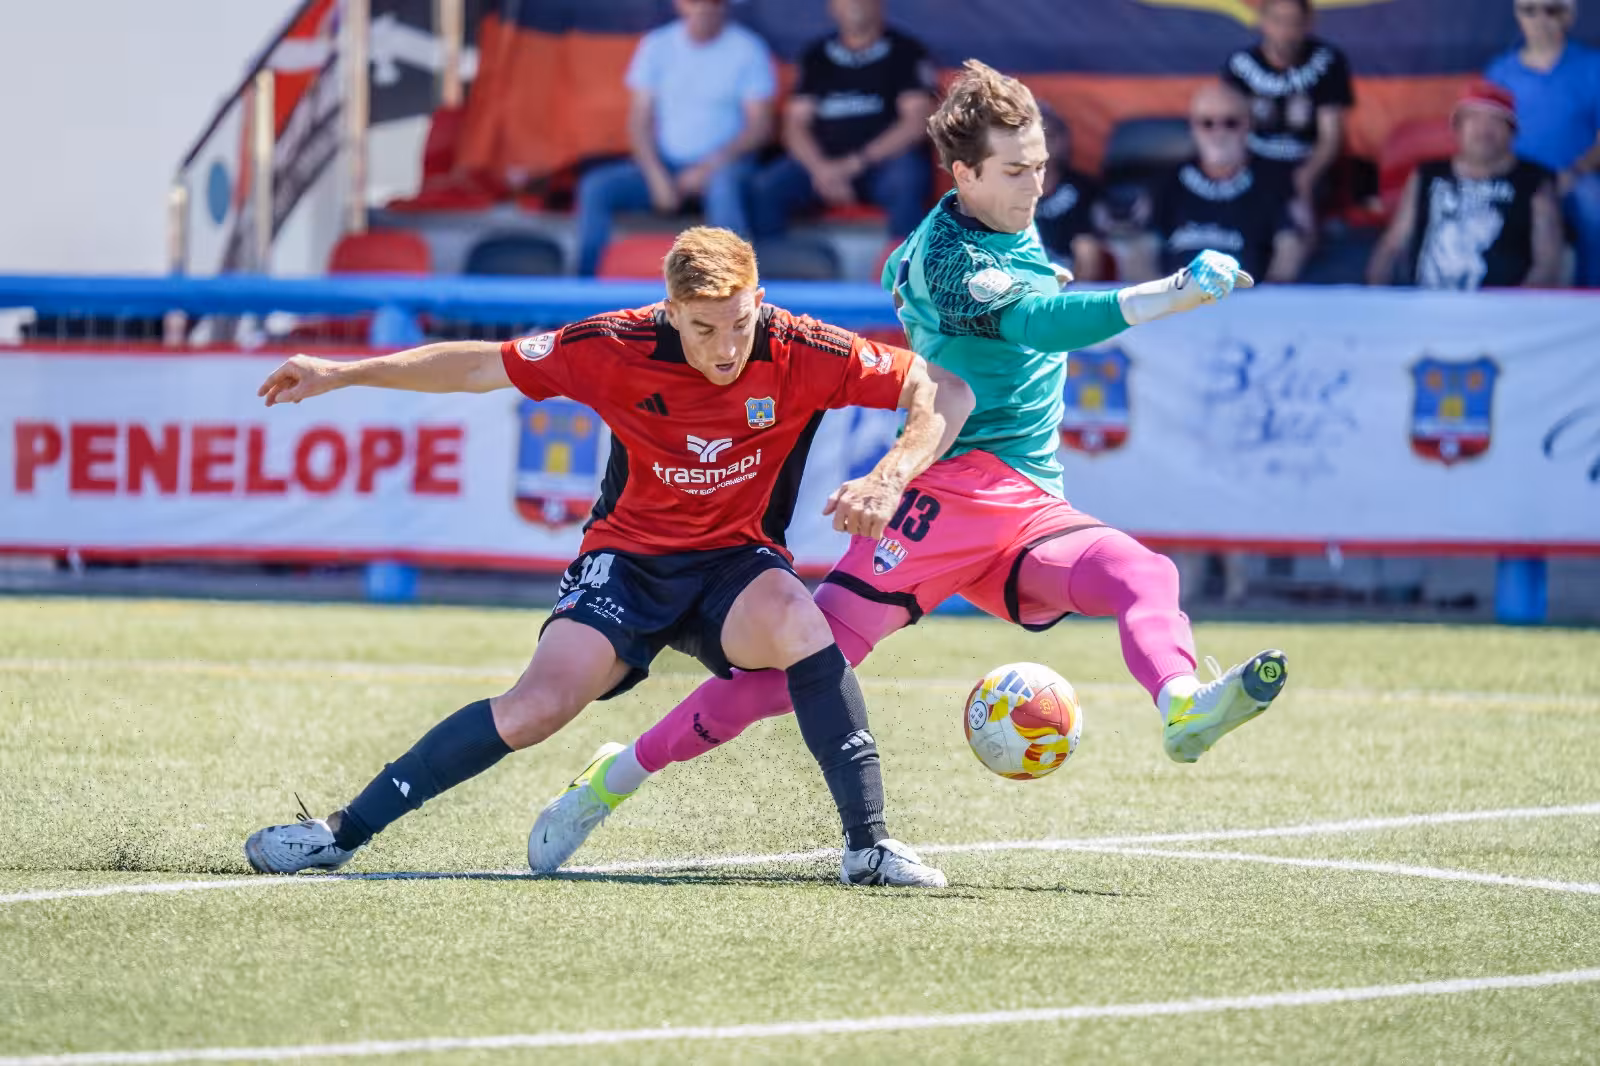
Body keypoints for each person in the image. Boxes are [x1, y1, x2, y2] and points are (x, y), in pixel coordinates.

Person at [528, 61, 1289, 874]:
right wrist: (1167, 292)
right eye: (1016, 170)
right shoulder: (953, 260)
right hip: (943, 497)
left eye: (1040, 164)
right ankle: (613, 779)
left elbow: (924, 273)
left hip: (1028, 502)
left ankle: (1181, 707)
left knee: (1143, 575)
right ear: (964, 174)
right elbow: (1041, 322)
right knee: (788, 677)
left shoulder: (995, 217)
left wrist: (924, 280)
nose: (1036, 184)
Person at [243, 227, 976, 888]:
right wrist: (344, 372)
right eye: (702, 329)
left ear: (761, 300)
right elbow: (477, 368)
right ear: (669, 310)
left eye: (739, 325)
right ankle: (338, 834)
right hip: (627, 563)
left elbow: (944, 387)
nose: (725, 348)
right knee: (533, 711)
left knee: (800, 622)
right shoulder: (612, 346)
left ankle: (868, 847)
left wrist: (889, 476)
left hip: (736, 563)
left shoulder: (802, 347)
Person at [573, 0, 775, 276]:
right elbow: (638, 123)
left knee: (724, 187)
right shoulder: (656, 45)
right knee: (596, 187)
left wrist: (708, 168)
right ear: (679, 4)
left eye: (713, 2)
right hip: (667, 165)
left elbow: (759, 127)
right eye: (695, 2)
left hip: (725, 165)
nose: (704, 8)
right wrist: (656, 176)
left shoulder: (748, 48)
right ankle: (583, 294)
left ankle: (732, 296)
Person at [747, 0, 937, 241]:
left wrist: (853, 164)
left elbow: (915, 123)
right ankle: (777, 270)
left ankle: (906, 272)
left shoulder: (906, 51)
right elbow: (795, 124)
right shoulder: (817, 55)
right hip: (821, 164)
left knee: (906, 181)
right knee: (765, 187)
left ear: (879, 5)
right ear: (832, 7)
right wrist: (820, 170)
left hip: (880, 163)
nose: (853, 5)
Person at [1366, 81, 1565, 289]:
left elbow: (1548, 262)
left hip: (1503, 310)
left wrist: (1517, 310)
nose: (1483, 129)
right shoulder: (1427, 174)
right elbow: (1393, 243)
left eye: (1496, 120)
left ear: (1512, 132)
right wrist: (1375, 292)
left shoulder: (1535, 180)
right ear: (1457, 129)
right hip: (1426, 307)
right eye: (1474, 119)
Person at [1124, 83, 1308, 284]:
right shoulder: (1166, 183)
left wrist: (1268, 298)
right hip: (1177, 304)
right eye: (1207, 123)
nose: (1218, 133)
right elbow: (1139, 253)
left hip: (1247, 304)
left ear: (1247, 126)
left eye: (1230, 123)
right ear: (1193, 128)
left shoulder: (1274, 182)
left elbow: (1290, 249)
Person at [1486, 0, 1600, 286]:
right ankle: (1499, 297)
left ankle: (1591, 298)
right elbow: (1487, 132)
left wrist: (1575, 171)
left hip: (1575, 175)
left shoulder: (1592, 66)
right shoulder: (1500, 72)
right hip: (1516, 177)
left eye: (1552, 10)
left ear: (1570, 17)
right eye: (1530, 9)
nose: (1540, 18)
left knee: (1593, 207)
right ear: (1518, 15)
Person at [1221, 0, 1354, 217]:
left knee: (1297, 217)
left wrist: (1307, 176)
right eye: (1278, 21)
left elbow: (1331, 138)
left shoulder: (1328, 61)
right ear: (1262, 22)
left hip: (1310, 165)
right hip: (1253, 166)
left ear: (1308, 24)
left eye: (1294, 22)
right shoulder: (1240, 64)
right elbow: (1228, 130)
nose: (1286, 31)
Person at [1034, 105, 1110, 282]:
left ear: (1064, 139)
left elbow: (1089, 255)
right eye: (1035, 137)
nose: (1044, 144)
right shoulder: (1002, 189)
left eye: (1051, 135)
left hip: (1069, 286)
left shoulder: (1084, 189)